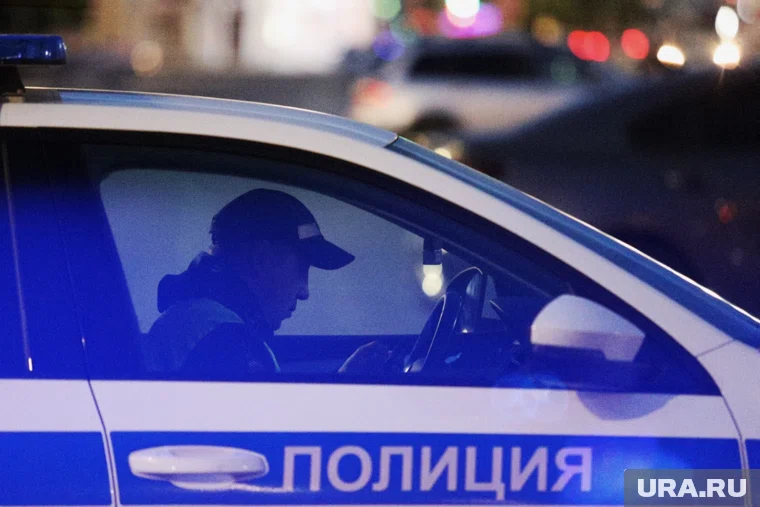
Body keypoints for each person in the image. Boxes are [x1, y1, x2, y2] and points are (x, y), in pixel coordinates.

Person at [140, 188, 390, 377]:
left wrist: (342, 379)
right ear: (261, 259)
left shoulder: (204, 324)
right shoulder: (225, 341)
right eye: (301, 269)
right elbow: (269, 430)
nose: (304, 292)